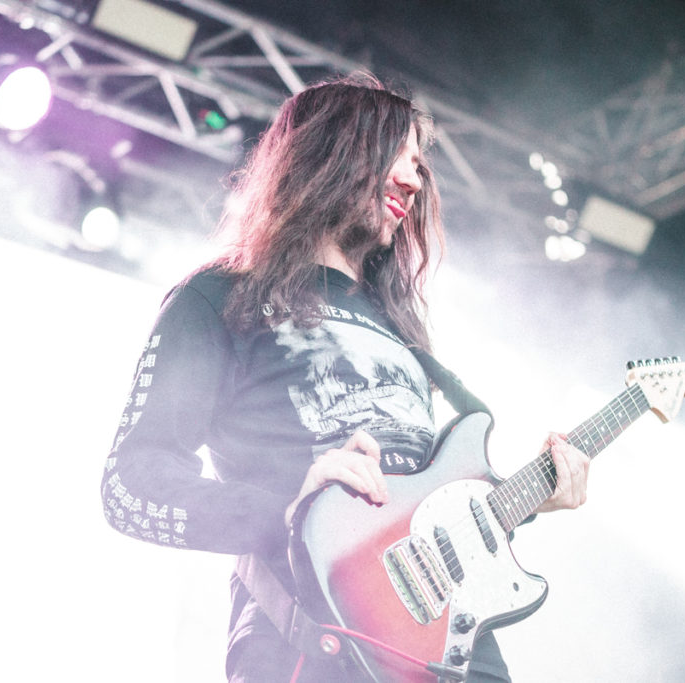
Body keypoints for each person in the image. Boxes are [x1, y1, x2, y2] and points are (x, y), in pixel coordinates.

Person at [100, 74, 591, 682]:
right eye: (397, 156)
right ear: (333, 150)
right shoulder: (220, 297)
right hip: (310, 642)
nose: (414, 180)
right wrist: (288, 511)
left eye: (420, 166)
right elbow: (129, 485)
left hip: (452, 652)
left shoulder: (402, 331)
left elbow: (422, 510)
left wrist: (527, 497)